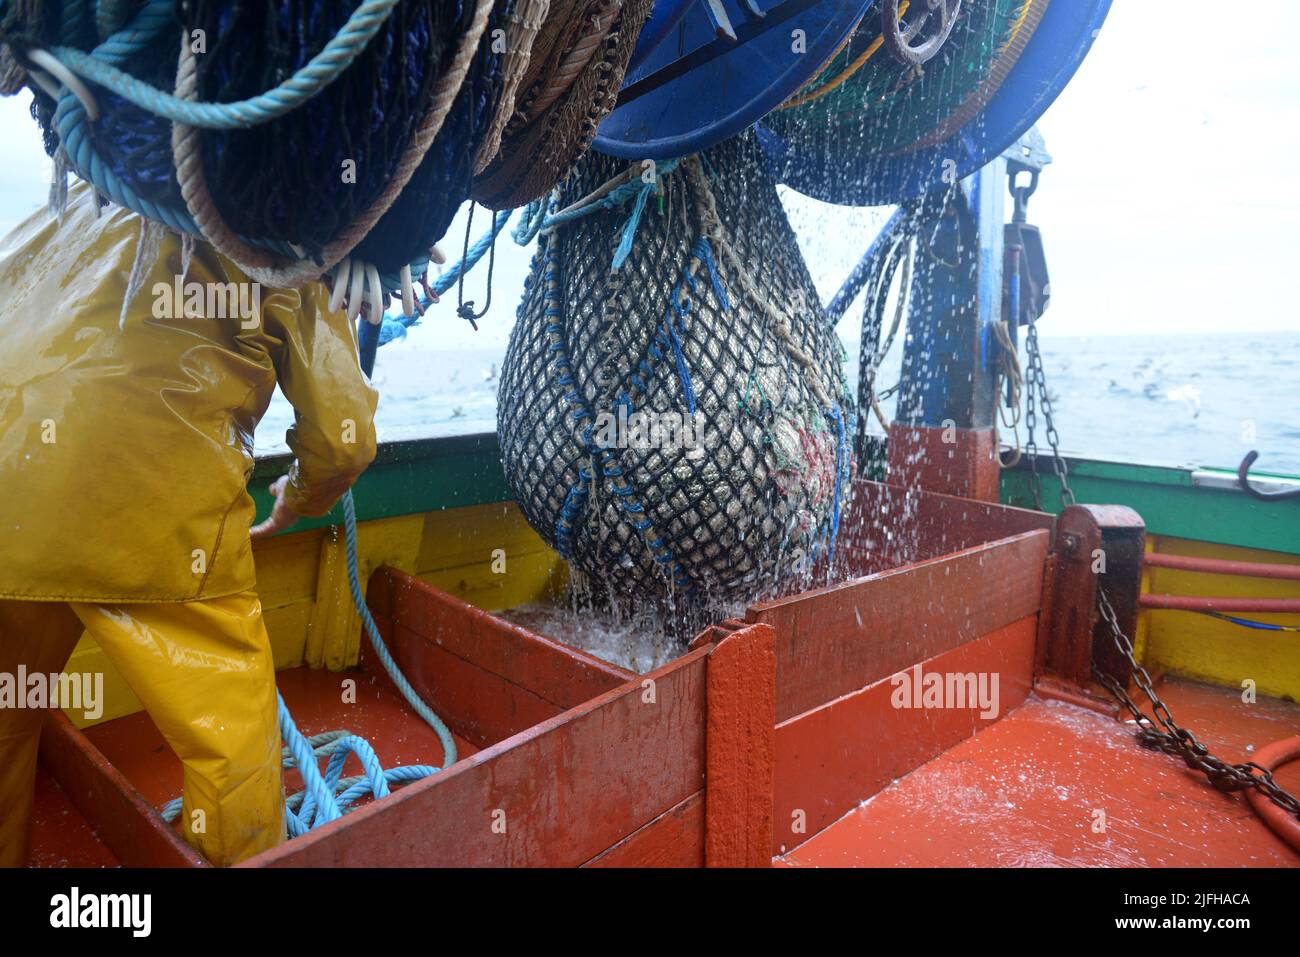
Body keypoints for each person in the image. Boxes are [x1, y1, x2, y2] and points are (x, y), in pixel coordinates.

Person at [0, 181, 378, 866]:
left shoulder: (70, 201)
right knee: (234, 754)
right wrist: (301, 497)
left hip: (10, 502)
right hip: (156, 517)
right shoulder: (289, 231)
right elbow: (344, 436)